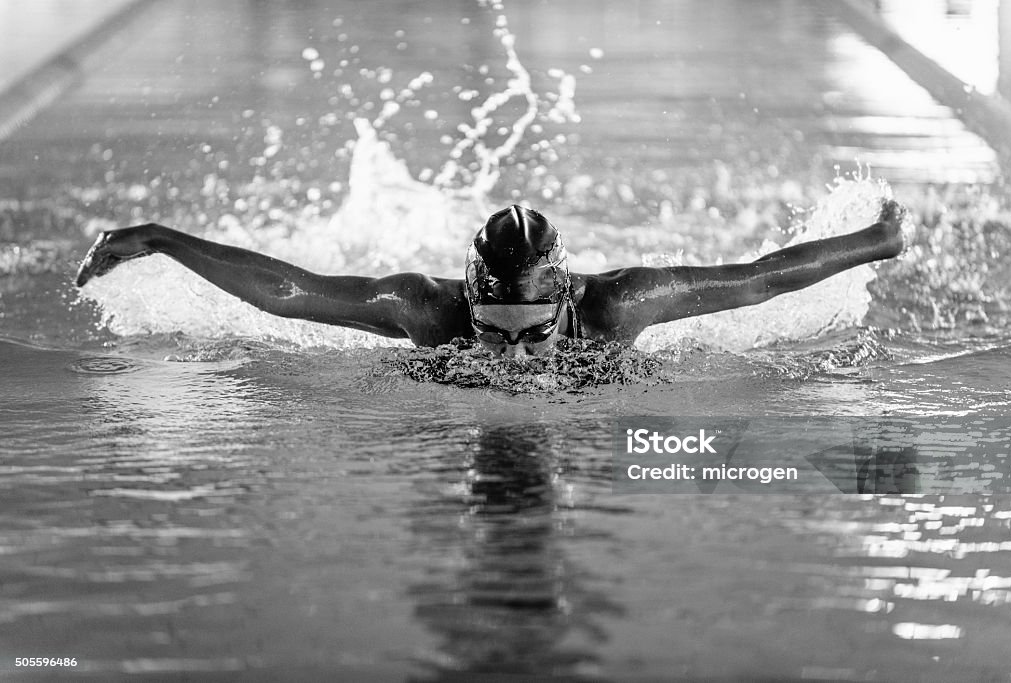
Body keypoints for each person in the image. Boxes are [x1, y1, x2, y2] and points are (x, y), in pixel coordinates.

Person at [75, 201, 906, 356]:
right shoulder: (426, 310)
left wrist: (875, 240)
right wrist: (158, 238)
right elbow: (289, 291)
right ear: (469, 298)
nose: (510, 361)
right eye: (493, 334)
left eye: (534, 336)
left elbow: (757, 280)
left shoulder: (618, 305)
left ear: (565, 300)